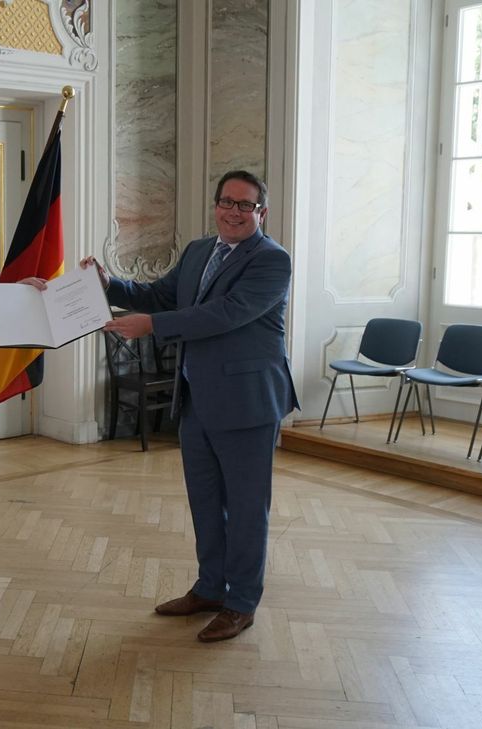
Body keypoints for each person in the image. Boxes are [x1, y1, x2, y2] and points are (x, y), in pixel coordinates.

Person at [82, 170, 298, 642]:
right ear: (216, 205)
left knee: (244, 508)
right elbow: (158, 294)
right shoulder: (200, 250)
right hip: (198, 396)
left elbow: (223, 314)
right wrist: (108, 283)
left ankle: (241, 601)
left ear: (262, 212)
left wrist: (152, 326)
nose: (234, 212)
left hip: (248, 402)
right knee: (205, 501)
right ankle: (209, 588)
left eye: (246, 205)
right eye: (227, 202)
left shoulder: (271, 261)